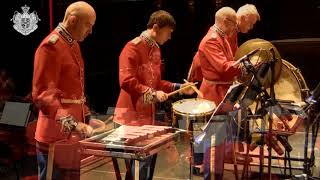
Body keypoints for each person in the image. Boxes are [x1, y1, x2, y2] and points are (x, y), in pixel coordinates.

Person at [113, 10, 193, 179]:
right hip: (130, 115)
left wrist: (179, 87)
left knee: (146, 170)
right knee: (135, 172)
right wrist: (152, 93)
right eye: (168, 32)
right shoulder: (132, 47)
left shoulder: (156, 49)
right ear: (156, 27)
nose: (170, 37)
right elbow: (126, 80)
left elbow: (156, 83)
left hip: (147, 116)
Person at [32, 1, 96, 179]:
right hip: (54, 135)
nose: (90, 31)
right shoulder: (51, 46)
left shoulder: (73, 44)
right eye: (88, 25)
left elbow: (74, 90)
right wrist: (73, 123)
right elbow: (43, 94)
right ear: (73, 20)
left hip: (72, 135)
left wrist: (86, 115)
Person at [187, 4, 260, 87]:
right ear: (242, 18)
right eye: (250, 23)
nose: (251, 27)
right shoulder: (224, 33)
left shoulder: (228, 32)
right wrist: (246, 66)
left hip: (214, 73)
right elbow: (223, 66)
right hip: (203, 75)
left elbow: (231, 58)